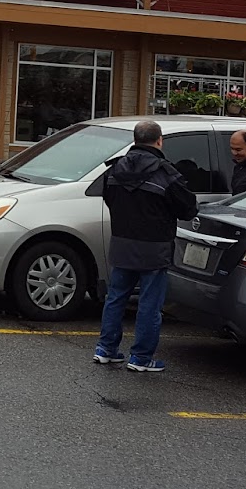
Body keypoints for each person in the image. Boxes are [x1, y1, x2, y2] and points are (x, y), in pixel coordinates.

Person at [86, 121, 198, 373]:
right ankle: (141, 357)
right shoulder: (165, 173)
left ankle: (106, 349)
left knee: (115, 298)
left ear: (135, 140)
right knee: (149, 303)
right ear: (159, 141)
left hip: (122, 243)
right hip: (154, 247)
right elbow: (188, 208)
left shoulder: (114, 170)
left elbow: (109, 198)